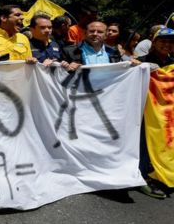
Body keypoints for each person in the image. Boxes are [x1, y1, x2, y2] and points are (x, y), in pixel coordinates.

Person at [136, 27, 174, 199]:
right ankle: (142, 178)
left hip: (167, 114)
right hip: (145, 112)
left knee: (166, 145)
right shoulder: (142, 60)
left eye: (170, 42)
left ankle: (162, 174)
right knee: (144, 144)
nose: (167, 45)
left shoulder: (172, 62)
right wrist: (136, 66)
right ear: (154, 42)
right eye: (163, 41)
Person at [61, 21, 138, 70]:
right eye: (91, 31)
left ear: (105, 35)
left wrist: (133, 66)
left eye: (100, 32)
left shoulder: (114, 52)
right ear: (85, 33)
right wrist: (66, 68)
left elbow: (118, 72)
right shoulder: (69, 51)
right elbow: (58, 75)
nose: (95, 34)